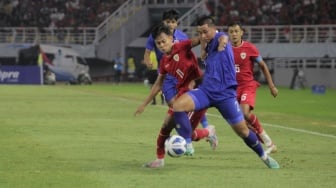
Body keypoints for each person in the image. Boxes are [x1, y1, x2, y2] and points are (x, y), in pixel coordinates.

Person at [171, 15, 280, 169]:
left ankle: (264, 156)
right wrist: (202, 47)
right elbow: (203, 42)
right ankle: (188, 144)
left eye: (205, 32)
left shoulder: (220, 37)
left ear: (214, 29)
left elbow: (223, 38)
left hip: (225, 95)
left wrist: (222, 43)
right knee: (178, 106)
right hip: (206, 91)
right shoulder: (207, 43)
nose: (202, 36)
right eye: (199, 33)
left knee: (243, 131)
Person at [135, 23, 218, 168]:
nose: (161, 45)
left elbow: (200, 39)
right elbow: (158, 84)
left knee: (186, 132)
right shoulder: (165, 61)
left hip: (199, 94)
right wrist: (144, 104)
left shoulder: (182, 46)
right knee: (167, 124)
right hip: (182, 97)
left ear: (171, 38)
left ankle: (207, 132)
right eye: (158, 43)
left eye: (163, 41)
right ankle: (159, 160)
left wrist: (213, 35)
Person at [227, 22, 278, 154]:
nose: (234, 34)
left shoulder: (249, 48)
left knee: (245, 113)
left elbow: (263, 65)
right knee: (241, 123)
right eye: (231, 31)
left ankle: (267, 141)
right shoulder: (226, 49)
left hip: (247, 85)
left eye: (236, 31)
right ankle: (269, 143)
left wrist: (271, 85)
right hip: (232, 89)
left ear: (241, 32)